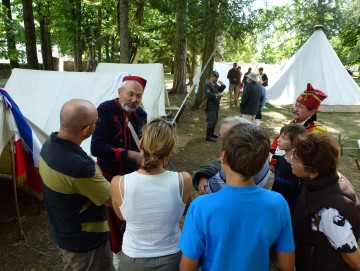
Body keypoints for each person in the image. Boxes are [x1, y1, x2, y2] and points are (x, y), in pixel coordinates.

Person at [179, 123, 295, 271]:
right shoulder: (278, 204)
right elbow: (287, 265)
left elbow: (187, 267)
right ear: (263, 162)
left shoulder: (200, 206)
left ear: (224, 157)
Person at [39, 99, 115, 271]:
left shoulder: (49, 145)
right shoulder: (80, 168)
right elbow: (110, 198)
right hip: (86, 243)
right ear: (86, 129)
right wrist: (96, 170)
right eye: (96, 121)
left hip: (63, 232)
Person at [110, 118, 193, 271]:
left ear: (140, 145)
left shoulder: (118, 183)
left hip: (133, 258)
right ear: (170, 150)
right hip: (172, 257)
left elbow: (122, 216)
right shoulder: (184, 180)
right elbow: (185, 211)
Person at [90, 75, 147, 263]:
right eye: (131, 94)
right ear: (120, 92)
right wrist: (131, 155)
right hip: (110, 176)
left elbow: (143, 143)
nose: (134, 100)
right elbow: (97, 147)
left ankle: (132, 252)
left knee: (133, 216)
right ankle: (117, 256)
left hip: (134, 176)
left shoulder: (141, 115)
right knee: (113, 219)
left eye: (139, 96)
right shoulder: (105, 109)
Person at [290, 133, 360, 271]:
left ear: (313, 172)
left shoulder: (330, 211)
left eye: (295, 161)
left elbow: (352, 257)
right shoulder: (325, 179)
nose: (290, 160)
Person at [193, 116, 270, 195]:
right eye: (220, 136)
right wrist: (203, 175)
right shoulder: (262, 155)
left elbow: (205, 190)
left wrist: (202, 176)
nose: (221, 142)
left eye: (226, 137)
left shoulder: (232, 172)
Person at [270, 83, 328, 163]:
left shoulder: (316, 131)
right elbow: (279, 139)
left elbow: (309, 156)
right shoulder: (293, 122)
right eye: (296, 105)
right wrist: (272, 160)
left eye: (301, 107)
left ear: (312, 112)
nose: (296, 109)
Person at [271, 123, 306, 218]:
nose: (278, 140)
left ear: (295, 142)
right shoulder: (280, 160)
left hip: (291, 210)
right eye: (280, 136)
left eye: (284, 138)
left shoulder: (299, 166)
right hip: (276, 205)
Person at [203, 70, 226, 142]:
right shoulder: (207, 85)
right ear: (211, 77)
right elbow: (208, 95)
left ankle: (212, 134)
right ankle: (208, 137)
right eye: (215, 78)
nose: (216, 79)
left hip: (215, 105)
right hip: (210, 106)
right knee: (211, 121)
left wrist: (222, 86)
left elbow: (219, 90)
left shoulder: (215, 85)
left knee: (215, 120)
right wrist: (216, 95)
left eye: (217, 78)